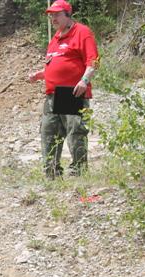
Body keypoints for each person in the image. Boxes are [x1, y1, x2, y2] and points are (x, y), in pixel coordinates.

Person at [26, 0, 99, 178]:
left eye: (57, 15)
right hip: (52, 94)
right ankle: (51, 173)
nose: (53, 18)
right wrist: (41, 74)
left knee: (75, 132)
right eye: (51, 16)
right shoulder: (55, 38)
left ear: (67, 14)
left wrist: (84, 80)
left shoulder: (82, 32)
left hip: (71, 92)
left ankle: (79, 172)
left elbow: (94, 61)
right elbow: (57, 65)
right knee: (48, 132)